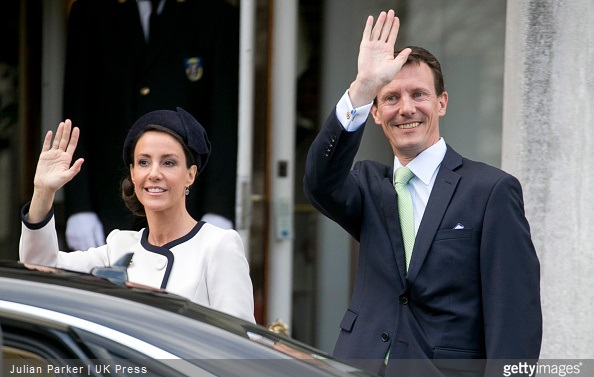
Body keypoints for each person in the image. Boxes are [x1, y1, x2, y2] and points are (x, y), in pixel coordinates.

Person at [303, 10, 542, 377]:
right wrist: (363, 87)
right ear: (378, 113)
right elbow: (320, 182)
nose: (406, 108)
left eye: (419, 94)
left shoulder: (491, 191)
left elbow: (515, 317)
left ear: (442, 102)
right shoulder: (368, 186)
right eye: (391, 98)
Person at [20, 108, 255, 324]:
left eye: (169, 163)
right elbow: (41, 269)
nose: (154, 173)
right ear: (133, 173)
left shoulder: (218, 245)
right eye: (143, 162)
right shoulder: (119, 246)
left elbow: (238, 348)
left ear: (190, 175)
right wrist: (43, 191)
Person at [62, 0, 239, 251]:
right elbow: (77, 109)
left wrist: (217, 208)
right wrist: (80, 207)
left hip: (188, 206)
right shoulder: (92, 11)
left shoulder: (214, 13)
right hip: (107, 205)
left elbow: (224, 117)